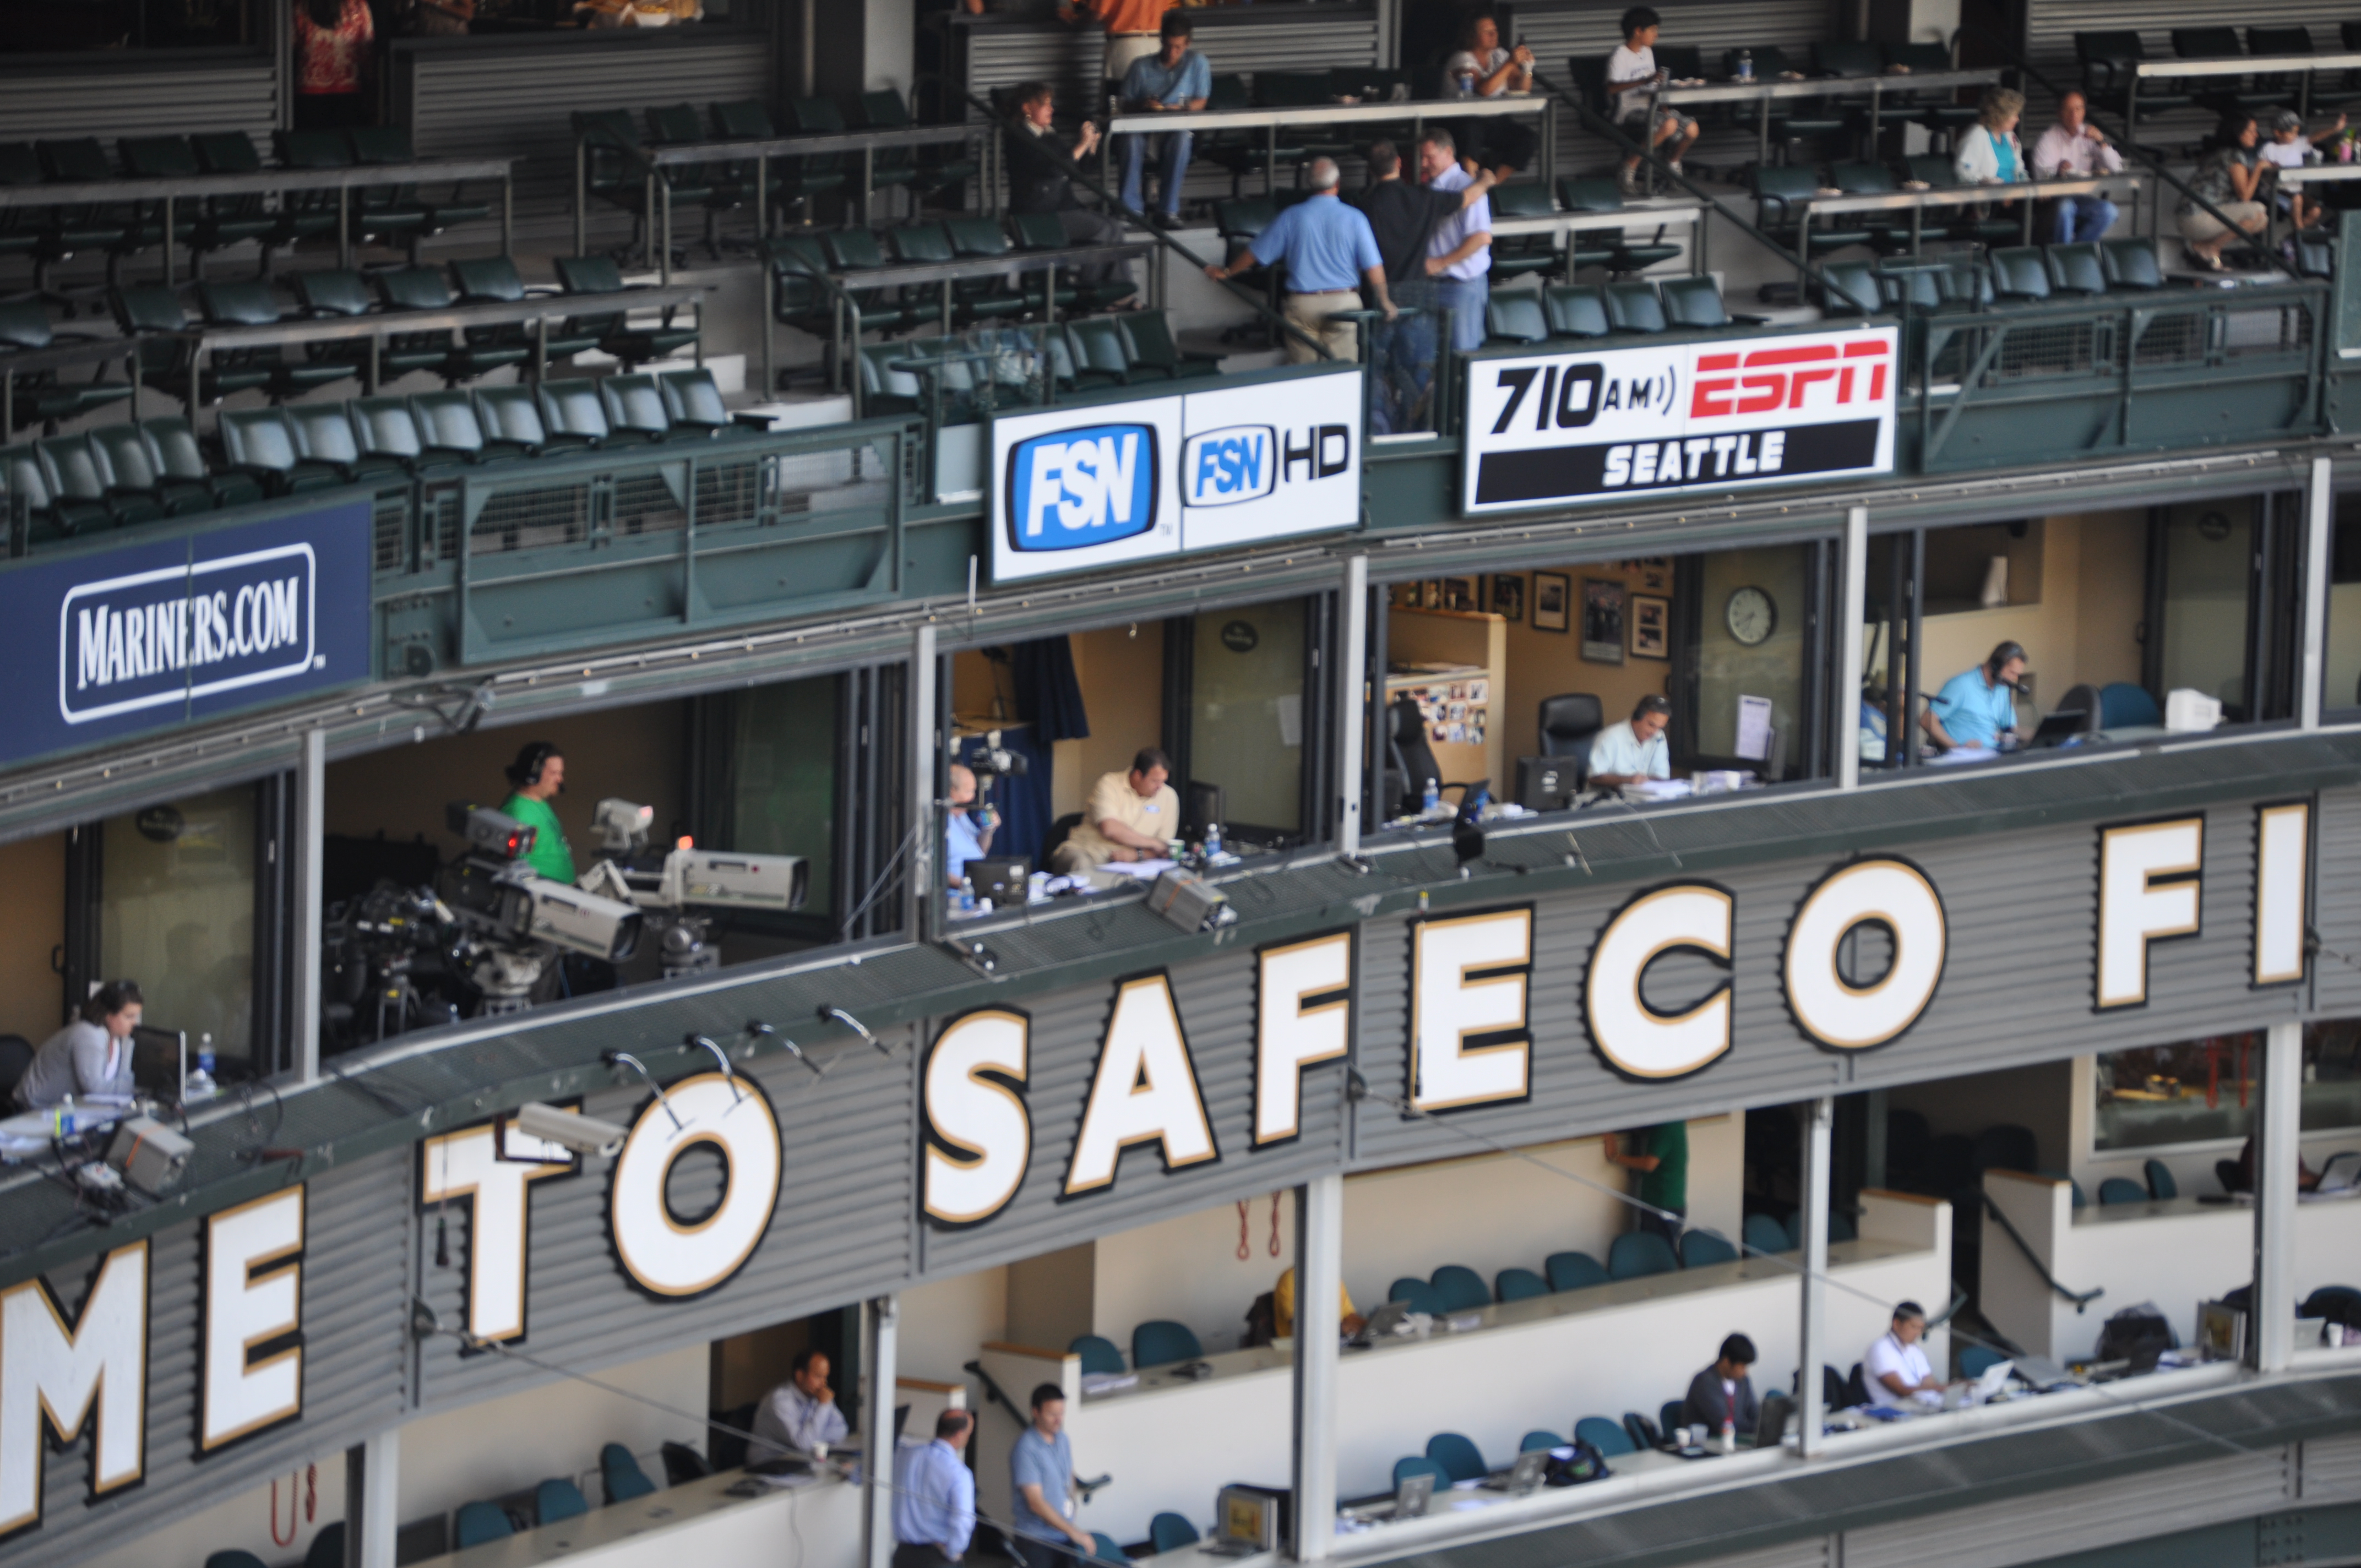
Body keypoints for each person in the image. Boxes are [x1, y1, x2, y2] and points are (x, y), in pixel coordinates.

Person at [1349, 140, 1497, 432]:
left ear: (1370, 170)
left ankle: (1378, 432)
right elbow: (1466, 198)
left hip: (1381, 297)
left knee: (1377, 367)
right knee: (1418, 368)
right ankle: (1418, 431)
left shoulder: (1363, 206)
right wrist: (1486, 180)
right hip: (1419, 294)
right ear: (1400, 164)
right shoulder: (1422, 197)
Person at [1204, 157, 1396, 364]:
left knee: (1305, 378)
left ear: (1308, 185)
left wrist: (1227, 272)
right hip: (1344, 304)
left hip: (1303, 303)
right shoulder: (1356, 218)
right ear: (1338, 183)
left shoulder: (1291, 216)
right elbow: (1373, 266)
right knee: (1343, 375)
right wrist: (1384, 301)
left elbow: (1256, 253)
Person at [1003, 82, 1133, 293]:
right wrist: (1081, 144)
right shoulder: (1019, 137)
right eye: (1045, 104)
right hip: (1037, 216)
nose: (1052, 109)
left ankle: (1119, 292)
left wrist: (1091, 146)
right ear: (1027, 108)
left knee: (1115, 227)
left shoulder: (1049, 136)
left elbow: (1080, 169)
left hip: (1063, 208)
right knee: (1102, 229)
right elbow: (1054, 169)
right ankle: (1092, 291)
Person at [1118, 12, 1208, 227]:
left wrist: (1182, 107)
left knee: (1182, 139)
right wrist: (1142, 105)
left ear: (1188, 44)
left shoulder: (1198, 63)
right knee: (1130, 140)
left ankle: (1168, 210)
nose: (1172, 52)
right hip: (1144, 127)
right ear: (1161, 41)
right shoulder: (1140, 67)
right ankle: (1130, 210)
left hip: (1177, 126)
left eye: (1178, 47)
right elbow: (1124, 103)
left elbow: (1201, 101)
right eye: (1168, 46)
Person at [1606, 6, 1698, 196]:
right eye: (1653, 30)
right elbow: (1611, 88)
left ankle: (1672, 163)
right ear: (1638, 31)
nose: (1657, 35)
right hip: (1628, 112)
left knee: (1691, 129)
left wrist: (1664, 108)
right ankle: (1629, 167)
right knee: (1670, 125)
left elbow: (1654, 87)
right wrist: (1645, 80)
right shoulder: (1620, 55)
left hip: (1652, 108)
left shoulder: (1647, 52)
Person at [1416, 130, 1492, 355]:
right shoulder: (1429, 189)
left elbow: (1481, 237)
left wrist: (1441, 263)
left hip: (1461, 284)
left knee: (1461, 357)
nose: (1423, 163)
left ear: (1448, 153)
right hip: (1432, 284)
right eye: (1422, 157)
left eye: (1429, 157)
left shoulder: (1466, 187)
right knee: (1427, 359)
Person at [1051, 748, 1183, 874]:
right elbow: (1110, 829)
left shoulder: (1169, 797)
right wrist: (1153, 843)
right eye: (1155, 781)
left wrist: (1137, 855)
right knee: (1082, 867)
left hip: (1134, 864)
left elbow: (1164, 849)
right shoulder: (1109, 783)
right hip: (1089, 853)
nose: (1160, 787)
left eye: (1163, 781)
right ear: (1137, 775)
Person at [16, 981, 143, 1111]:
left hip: (69, 1109)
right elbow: (96, 1089)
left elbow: (123, 1082)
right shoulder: (89, 1034)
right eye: (129, 1017)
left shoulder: (121, 1039)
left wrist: (128, 1045)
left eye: (136, 1017)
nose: (135, 1023)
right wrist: (133, 1089)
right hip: (35, 1108)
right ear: (108, 1015)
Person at [1441, 12, 1539, 179]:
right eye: (1487, 32)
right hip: (1462, 120)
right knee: (1470, 132)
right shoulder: (1461, 59)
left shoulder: (1499, 55)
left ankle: (1492, 183)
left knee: (1528, 138)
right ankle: (1470, 182)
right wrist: (1510, 63)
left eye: (1495, 30)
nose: (1494, 35)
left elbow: (1522, 89)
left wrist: (1527, 69)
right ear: (1472, 36)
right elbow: (1484, 90)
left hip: (1495, 120)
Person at [1010, 1384, 1095, 1568]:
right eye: (1052, 1415)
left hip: (1063, 1533)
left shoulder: (1063, 1439)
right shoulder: (1026, 1448)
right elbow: (1035, 1503)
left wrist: (1073, 1505)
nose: (1059, 1420)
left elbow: (1069, 1473)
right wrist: (1073, 1531)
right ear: (1036, 1412)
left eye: (1061, 1413)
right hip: (1037, 1539)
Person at [2179, 112, 2271, 271]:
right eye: (2251, 131)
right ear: (2238, 133)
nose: (2256, 135)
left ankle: (2202, 247)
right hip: (2197, 217)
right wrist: (2259, 168)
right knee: (2257, 210)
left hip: (2191, 217)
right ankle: (2212, 249)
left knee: (2261, 220)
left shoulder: (2219, 152)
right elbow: (2245, 196)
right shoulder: (2233, 155)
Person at [2030, 91, 2124, 243]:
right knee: (2066, 207)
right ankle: (2064, 257)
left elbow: (2117, 168)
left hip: (2080, 196)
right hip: (2054, 198)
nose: (2074, 114)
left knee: (2109, 212)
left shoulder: (2090, 135)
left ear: (2084, 112)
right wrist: (2058, 170)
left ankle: (2076, 253)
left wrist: (2101, 142)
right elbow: (2041, 174)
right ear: (2059, 113)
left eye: (2079, 109)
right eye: (2068, 109)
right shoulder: (2048, 138)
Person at [893, 1409, 977, 1568]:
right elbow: (963, 1520)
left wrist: (852, 1472)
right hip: (938, 1558)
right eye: (969, 1433)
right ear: (960, 1435)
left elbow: (873, 1469)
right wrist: (954, 1552)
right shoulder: (959, 1473)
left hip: (903, 1555)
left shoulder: (905, 1455)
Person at [1920, 641, 2025, 753]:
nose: (2015, 679)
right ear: (1996, 665)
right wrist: (1957, 748)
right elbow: (1927, 720)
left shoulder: (2003, 689)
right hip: (1963, 761)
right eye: (2012, 673)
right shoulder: (1961, 685)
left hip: (1993, 756)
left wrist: (2040, 734)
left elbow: (2011, 729)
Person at [749, 1348, 849, 1463]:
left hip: (801, 1461)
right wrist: (823, 1406)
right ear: (800, 1376)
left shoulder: (819, 1394)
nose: (823, 1383)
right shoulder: (780, 1401)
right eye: (818, 1376)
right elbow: (803, 1444)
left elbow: (841, 1429)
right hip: (768, 1466)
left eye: (825, 1377)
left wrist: (813, 1439)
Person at [1059, 0, 1178, 94]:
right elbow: (1165, 9)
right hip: (1155, 44)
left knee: (1120, 103)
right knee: (1152, 103)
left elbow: (1098, 13)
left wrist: (1074, 19)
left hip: (1125, 47)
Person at [498, 742, 576, 885]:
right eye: (554, 773)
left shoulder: (539, 802)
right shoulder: (518, 812)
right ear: (533, 773)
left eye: (560, 773)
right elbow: (516, 867)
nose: (560, 779)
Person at [293, 0, 377, 132]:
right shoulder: (358, 6)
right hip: (349, 91)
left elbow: (291, 44)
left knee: (312, 147)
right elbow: (366, 50)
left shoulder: (301, 6)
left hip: (309, 92)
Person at [2260, 107, 2346, 232]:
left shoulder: (2297, 144)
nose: (2296, 135)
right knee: (2297, 200)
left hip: (2296, 190)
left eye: (2297, 132)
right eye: (2292, 132)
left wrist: (2334, 129)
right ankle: (2298, 238)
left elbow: (2315, 137)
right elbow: (2263, 172)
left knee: (2315, 210)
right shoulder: (2268, 149)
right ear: (2278, 133)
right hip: (2275, 191)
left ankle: (2294, 237)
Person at [1606, 1120, 1687, 1244]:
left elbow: (1649, 1164)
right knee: (1656, 1250)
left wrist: (1615, 1156)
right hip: (1663, 1202)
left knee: (1656, 1253)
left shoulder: (1667, 1127)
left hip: (1662, 1204)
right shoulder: (1675, 1124)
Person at [1865, 1302, 1946, 1410]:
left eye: (1921, 1328)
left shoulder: (1914, 1349)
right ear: (1897, 1324)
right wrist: (1945, 1388)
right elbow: (1903, 1391)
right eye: (1914, 1327)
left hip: (1921, 1407)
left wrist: (1951, 1388)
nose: (1918, 1333)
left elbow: (1929, 1382)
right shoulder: (1880, 1349)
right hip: (1894, 1413)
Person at [1681, 1334, 1761, 1438]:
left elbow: (1754, 1413)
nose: (1745, 1372)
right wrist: (1761, 1429)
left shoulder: (1743, 1381)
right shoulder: (1704, 1382)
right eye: (1742, 1366)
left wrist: (1766, 1424)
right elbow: (1726, 1425)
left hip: (1735, 1441)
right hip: (1708, 1444)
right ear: (1726, 1362)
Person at [1587, 694, 1672, 788]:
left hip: (1643, 799)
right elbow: (1594, 777)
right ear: (1638, 716)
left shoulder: (1659, 737)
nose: (1654, 732)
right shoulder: (1610, 737)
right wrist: (1629, 780)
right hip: (1608, 799)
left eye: (1660, 728)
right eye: (1651, 725)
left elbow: (1662, 776)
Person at [1955, 86, 2025, 186]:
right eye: (2015, 115)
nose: (2017, 120)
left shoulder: (2010, 136)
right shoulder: (1977, 135)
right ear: (2000, 115)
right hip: (1988, 198)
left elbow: (2019, 168)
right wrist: (1984, 180)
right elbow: (1963, 171)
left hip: (2014, 194)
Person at [945, 763, 999, 890]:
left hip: (975, 888)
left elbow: (981, 852)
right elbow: (932, 871)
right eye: (969, 792)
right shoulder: (939, 822)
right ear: (951, 791)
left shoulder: (962, 817)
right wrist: (966, 885)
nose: (973, 797)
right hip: (957, 894)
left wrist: (987, 830)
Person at [1274, 1266, 1366, 1338]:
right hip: (1298, 1349)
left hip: (1336, 1341)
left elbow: (1349, 1315)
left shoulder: (1334, 1278)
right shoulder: (1291, 1279)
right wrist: (1339, 1329)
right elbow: (1299, 1325)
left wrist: (1368, 1326)